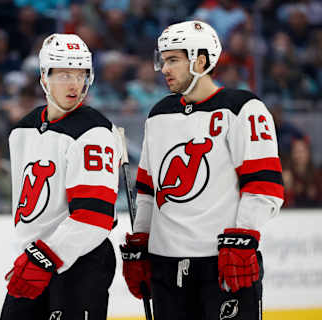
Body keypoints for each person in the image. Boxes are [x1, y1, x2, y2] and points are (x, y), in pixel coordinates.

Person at [120, 21, 284, 320]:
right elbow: (146, 190)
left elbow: (264, 185)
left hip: (222, 263)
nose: (164, 69)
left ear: (200, 60)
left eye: (173, 60)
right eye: (163, 60)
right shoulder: (159, 115)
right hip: (166, 266)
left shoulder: (242, 108)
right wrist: (141, 239)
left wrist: (245, 236)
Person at [0, 33, 121, 320]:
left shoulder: (94, 132)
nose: (74, 84)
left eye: (81, 75)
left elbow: (94, 218)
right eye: (65, 74)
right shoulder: (22, 129)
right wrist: (30, 255)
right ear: (44, 76)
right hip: (32, 262)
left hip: (79, 262)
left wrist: (45, 257)